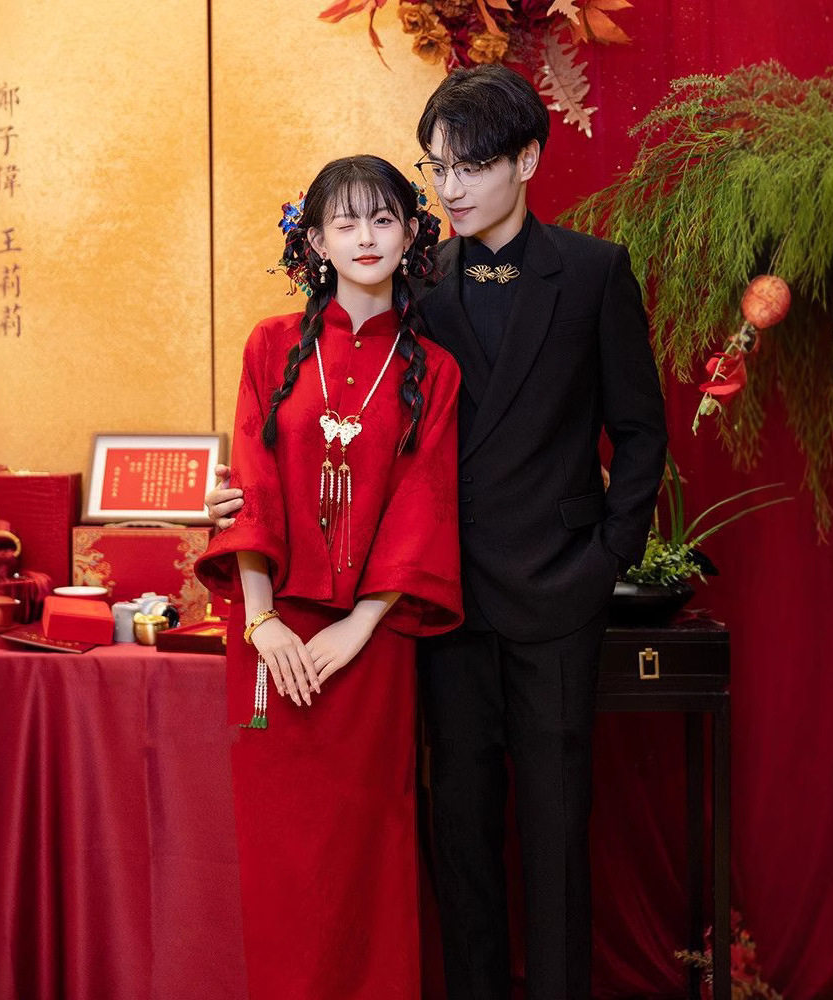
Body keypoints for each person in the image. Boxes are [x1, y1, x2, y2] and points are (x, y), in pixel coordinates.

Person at [209, 67, 667, 999]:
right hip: (440, 606)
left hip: (556, 594)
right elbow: (356, 426)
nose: (450, 187)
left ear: (527, 161)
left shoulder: (593, 272)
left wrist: (606, 559)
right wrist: (251, 500)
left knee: (557, 834)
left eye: (471, 166)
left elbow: (641, 429)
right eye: (437, 167)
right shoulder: (419, 284)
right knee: (459, 835)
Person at [194, 154, 463, 1000]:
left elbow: (422, 503)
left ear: (413, 232)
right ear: (314, 240)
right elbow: (253, 481)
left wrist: (359, 626)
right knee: (280, 857)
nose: (365, 237)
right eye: (344, 222)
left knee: (367, 849)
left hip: (372, 645)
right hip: (271, 641)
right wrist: (262, 621)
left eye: (383, 219)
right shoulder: (269, 346)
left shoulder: (436, 369)